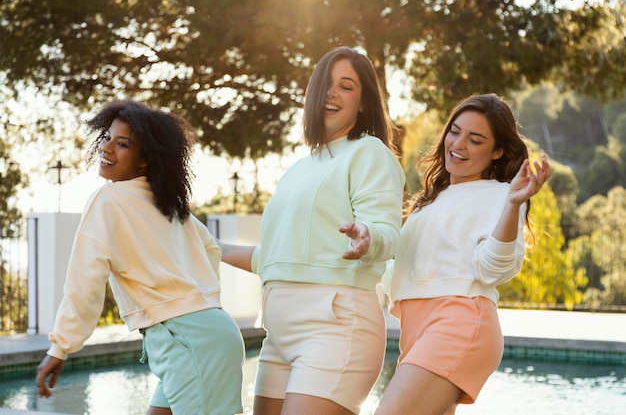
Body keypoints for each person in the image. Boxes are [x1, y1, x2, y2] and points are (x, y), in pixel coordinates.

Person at [219, 46, 406, 415]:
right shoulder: (300, 168)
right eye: (325, 84)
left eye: (346, 86)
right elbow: (274, 259)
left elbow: (387, 231)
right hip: (278, 335)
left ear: (364, 101)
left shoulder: (369, 151)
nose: (331, 93)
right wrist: (211, 246)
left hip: (335, 327)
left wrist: (369, 237)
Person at [35, 100, 245, 415]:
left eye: (123, 144)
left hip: (185, 340)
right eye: (106, 137)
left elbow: (84, 282)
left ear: (145, 160)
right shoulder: (170, 206)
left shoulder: (107, 199)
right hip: (213, 332)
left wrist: (60, 346)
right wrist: (196, 300)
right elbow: (211, 250)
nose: (107, 148)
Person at [374, 93, 551, 415]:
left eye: (475, 139)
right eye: (455, 131)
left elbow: (494, 270)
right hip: (416, 330)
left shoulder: (503, 195)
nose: (458, 144)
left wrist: (513, 204)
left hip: (459, 323)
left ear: (497, 150)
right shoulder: (430, 201)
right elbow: (398, 272)